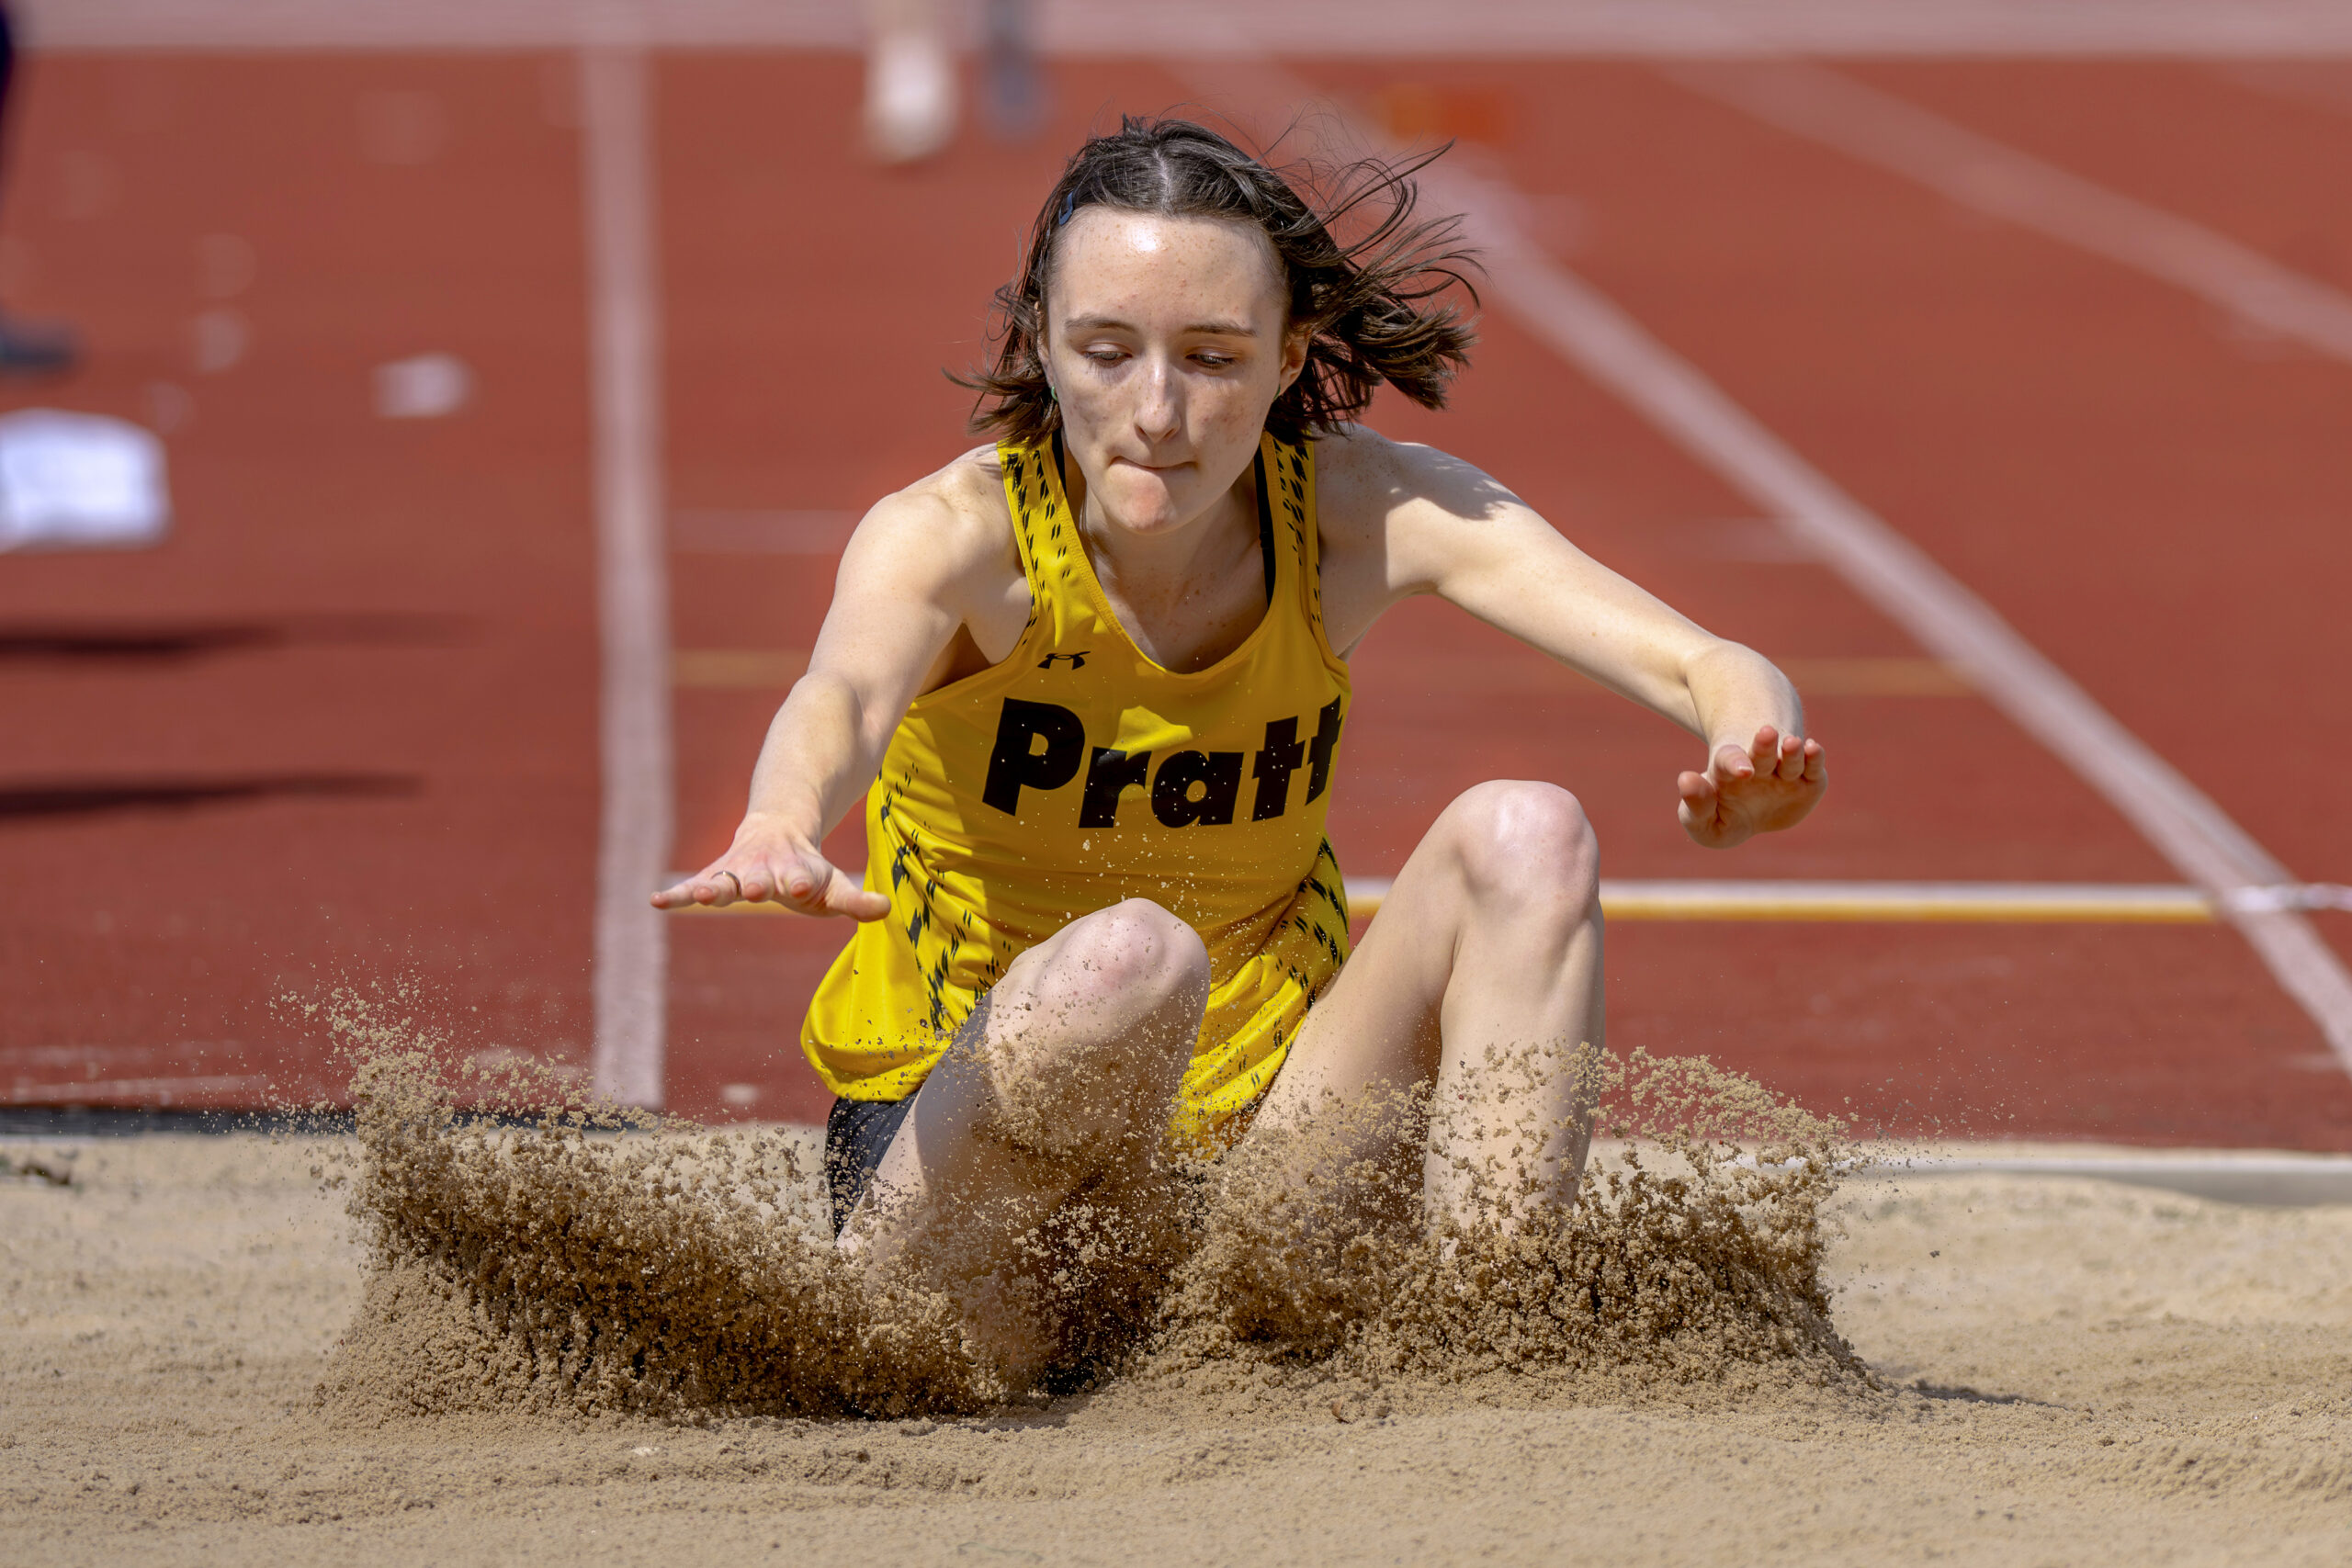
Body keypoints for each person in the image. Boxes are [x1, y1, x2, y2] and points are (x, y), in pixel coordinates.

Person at [653, 118, 1826, 1381]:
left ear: (1287, 362)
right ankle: (871, 1335)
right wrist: (781, 817)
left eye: (1212, 357)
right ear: (1042, 341)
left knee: (1529, 832)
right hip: (978, 1160)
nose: (1157, 413)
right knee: (1134, 960)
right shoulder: (955, 537)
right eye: (1108, 351)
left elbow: (1704, 660)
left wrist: (1750, 738)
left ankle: (1495, 1342)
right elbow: (839, 696)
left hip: (1255, 1177)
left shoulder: (1351, 512)